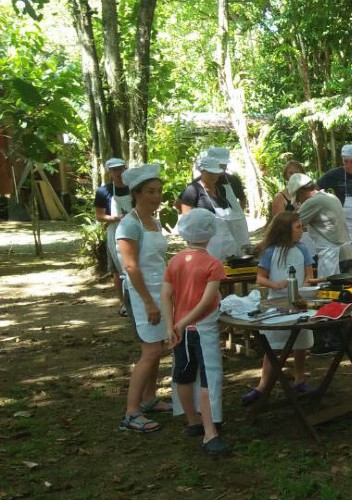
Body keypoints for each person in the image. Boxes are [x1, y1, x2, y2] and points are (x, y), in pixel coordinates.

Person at [160, 208, 231, 455]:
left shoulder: (175, 260)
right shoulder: (213, 263)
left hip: (180, 328)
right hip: (201, 328)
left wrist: (172, 324)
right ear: (210, 234)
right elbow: (207, 301)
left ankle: (192, 420)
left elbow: (166, 294)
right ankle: (210, 433)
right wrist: (182, 323)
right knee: (209, 377)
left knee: (184, 374)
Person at [116, 163, 171, 433]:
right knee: (150, 351)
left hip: (159, 290)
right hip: (141, 294)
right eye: (151, 191)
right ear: (136, 193)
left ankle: (149, 399)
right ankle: (131, 412)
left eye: (159, 191)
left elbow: (158, 260)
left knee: (158, 348)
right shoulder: (129, 224)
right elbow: (130, 267)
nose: (157, 196)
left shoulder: (155, 221)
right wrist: (148, 301)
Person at [242, 211, 315, 405]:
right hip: (277, 304)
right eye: (298, 227)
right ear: (285, 230)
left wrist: (308, 285)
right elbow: (260, 278)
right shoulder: (270, 251)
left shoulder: (303, 249)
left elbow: (309, 273)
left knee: (300, 343)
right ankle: (262, 386)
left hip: (299, 303)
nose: (302, 230)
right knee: (273, 346)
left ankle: (300, 379)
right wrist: (276, 285)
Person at [288, 173, 352, 278]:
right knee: (345, 291)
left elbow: (292, 226)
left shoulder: (312, 202)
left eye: (297, 198)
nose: (298, 202)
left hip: (332, 255)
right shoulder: (330, 196)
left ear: (301, 192)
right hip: (346, 253)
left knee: (330, 291)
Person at [179, 156, 246, 260]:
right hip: (206, 247)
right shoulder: (192, 190)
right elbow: (188, 222)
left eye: (216, 173)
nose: (214, 176)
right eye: (210, 173)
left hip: (227, 246)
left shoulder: (222, 189)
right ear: (201, 171)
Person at [94, 158, 130, 315]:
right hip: (114, 232)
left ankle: (136, 302)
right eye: (115, 170)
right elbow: (100, 216)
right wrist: (116, 218)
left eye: (121, 169)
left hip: (134, 230)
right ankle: (124, 304)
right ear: (110, 172)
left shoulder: (134, 188)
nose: (119, 172)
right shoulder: (103, 191)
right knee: (117, 271)